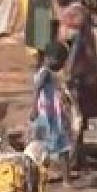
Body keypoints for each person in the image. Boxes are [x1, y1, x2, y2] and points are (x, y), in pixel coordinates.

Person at [55, 0, 97, 175]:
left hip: (78, 74)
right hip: (88, 72)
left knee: (76, 117)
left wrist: (67, 70)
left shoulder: (73, 16)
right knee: (86, 115)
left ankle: (77, 158)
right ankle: (85, 155)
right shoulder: (80, 12)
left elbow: (73, 47)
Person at [31, 41, 71, 169]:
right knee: (62, 147)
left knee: (42, 146)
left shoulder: (43, 71)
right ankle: (66, 179)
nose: (61, 65)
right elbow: (37, 89)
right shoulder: (46, 73)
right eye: (59, 61)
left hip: (46, 114)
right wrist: (34, 108)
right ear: (49, 58)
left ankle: (42, 175)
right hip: (50, 115)